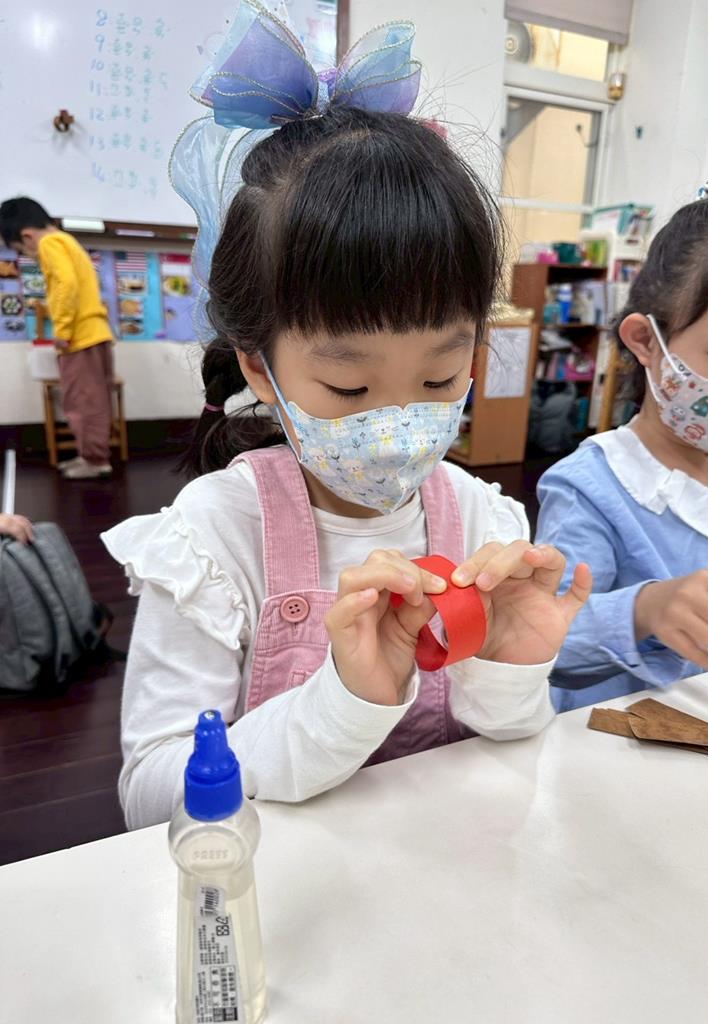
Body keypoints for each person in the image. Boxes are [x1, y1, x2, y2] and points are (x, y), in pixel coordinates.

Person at [102, 11, 591, 829]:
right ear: (258, 367)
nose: (398, 423)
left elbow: (508, 753)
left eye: (439, 377)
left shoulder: (480, 518)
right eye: (349, 387)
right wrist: (341, 702)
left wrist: (509, 670)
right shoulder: (214, 539)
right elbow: (150, 795)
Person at [536, 182, 708, 712]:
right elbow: (540, 644)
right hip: (627, 747)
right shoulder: (593, 488)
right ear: (645, 340)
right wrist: (643, 610)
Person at [0, 197, 114, 479]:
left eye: (21, 250)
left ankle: (95, 460)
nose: (29, 256)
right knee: (92, 399)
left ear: (27, 236)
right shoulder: (66, 241)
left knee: (81, 402)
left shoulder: (49, 244)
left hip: (80, 338)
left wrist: (62, 330)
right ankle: (91, 456)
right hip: (93, 334)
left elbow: (65, 284)